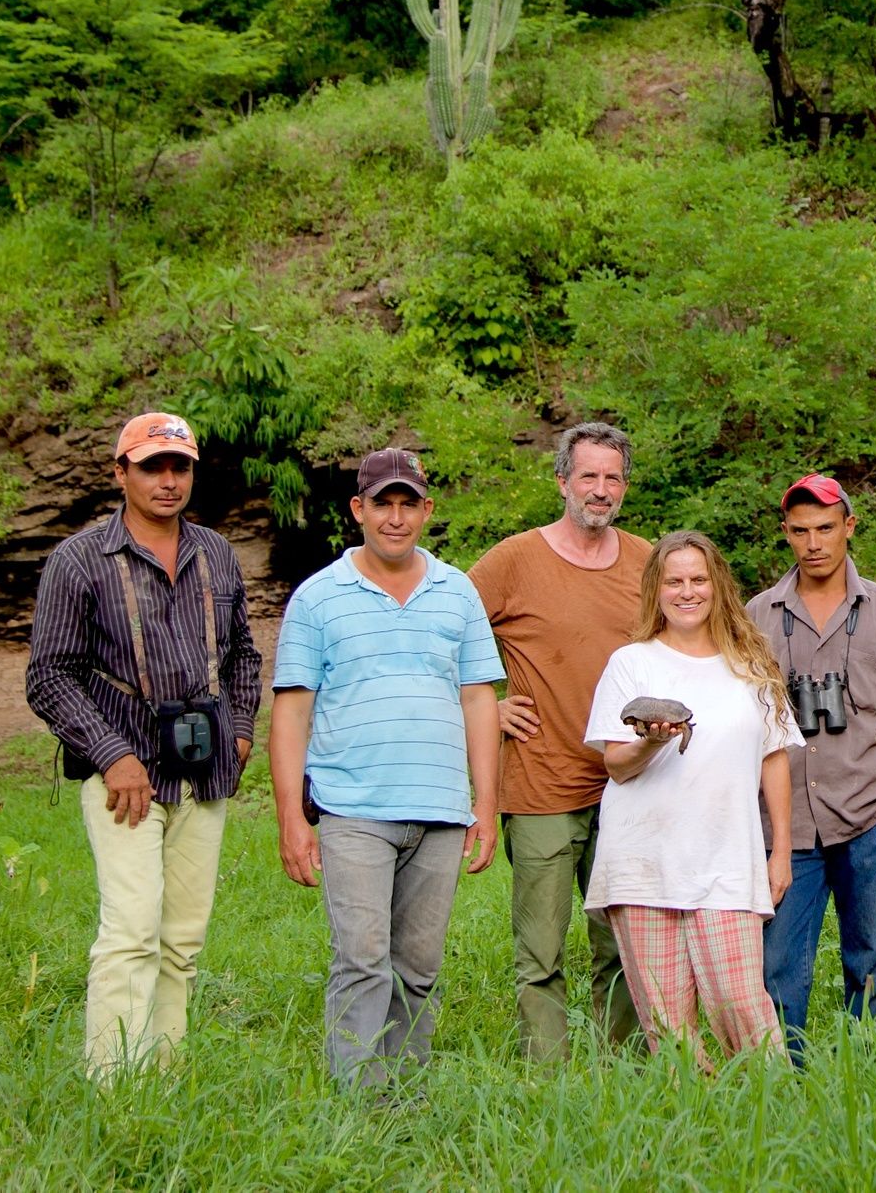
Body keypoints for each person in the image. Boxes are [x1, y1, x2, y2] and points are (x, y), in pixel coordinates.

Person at [25, 411, 261, 1079]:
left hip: (205, 765)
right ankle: (112, 1088)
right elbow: (49, 675)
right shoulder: (78, 559)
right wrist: (111, 754)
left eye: (179, 465)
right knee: (130, 930)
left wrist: (241, 731)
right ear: (119, 472)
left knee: (181, 940)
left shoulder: (216, 552)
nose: (167, 479)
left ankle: (164, 1077)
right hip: (124, 772)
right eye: (152, 465)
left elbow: (244, 651)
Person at [269, 449, 504, 1087]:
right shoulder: (318, 599)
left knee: (419, 965)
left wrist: (486, 804)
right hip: (353, 808)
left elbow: (480, 699)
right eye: (382, 504)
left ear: (426, 510)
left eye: (408, 505)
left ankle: (404, 1096)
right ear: (359, 510)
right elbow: (291, 713)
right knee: (363, 959)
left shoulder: (458, 592)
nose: (395, 518)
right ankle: (357, 1103)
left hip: (440, 809)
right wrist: (292, 816)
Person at [584, 530, 803, 1066]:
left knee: (742, 1005)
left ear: (717, 586)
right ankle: (695, 1129)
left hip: (727, 861)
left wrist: (780, 850)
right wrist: (651, 741)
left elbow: (773, 757)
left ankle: (775, 1120)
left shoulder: (751, 665)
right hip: (643, 862)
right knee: (667, 1024)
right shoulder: (630, 662)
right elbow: (615, 764)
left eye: (698, 579)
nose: (687, 591)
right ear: (655, 589)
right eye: (674, 580)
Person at [464, 421, 647, 1061]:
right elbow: (438, 629)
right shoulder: (514, 560)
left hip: (630, 780)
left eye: (612, 478)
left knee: (623, 941)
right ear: (562, 481)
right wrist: (482, 703)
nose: (600, 490)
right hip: (541, 782)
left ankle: (620, 1066)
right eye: (589, 476)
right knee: (541, 947)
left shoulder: (648, 564)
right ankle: (549, 1075)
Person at [749, 474, 876, 1059]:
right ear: (785, 534)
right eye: (801, 531)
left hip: (869, 813)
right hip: (789, 826)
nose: (814, 543)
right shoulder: (757, 615)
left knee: (871, 955)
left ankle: (867, 1068)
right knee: (780, 964)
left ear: (849, 528)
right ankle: (786, 1078)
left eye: (826, 529)